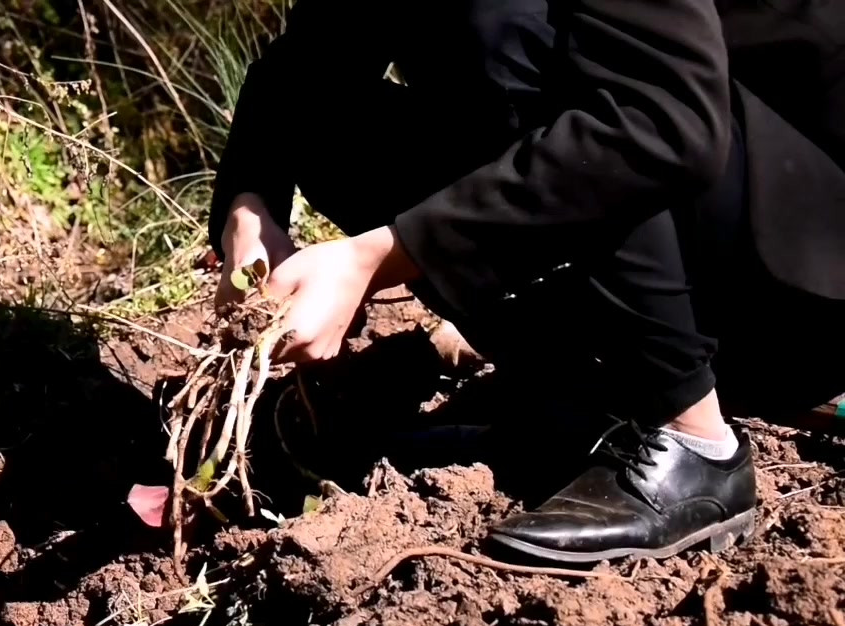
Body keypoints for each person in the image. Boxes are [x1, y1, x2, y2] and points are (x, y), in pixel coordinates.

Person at [207, 0, 845, 564]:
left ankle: (691, 435)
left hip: (804, 265)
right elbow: (303, 71)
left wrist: (377, 256)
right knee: (333, 111)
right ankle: (579, 409)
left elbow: (660, 120)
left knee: (504, 24)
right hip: (705, 238)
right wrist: (249, 209)